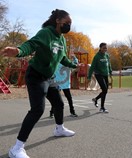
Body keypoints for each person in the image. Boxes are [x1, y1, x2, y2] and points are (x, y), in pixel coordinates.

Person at [0, 9, 78, 158]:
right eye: (67, 23)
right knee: (38, 109)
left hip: (49, 77)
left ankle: (59, 129)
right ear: (58, 20)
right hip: (36, 76)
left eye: (70, 24)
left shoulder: (62, 39)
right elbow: (31, 45)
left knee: (59, 104)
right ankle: (16, 148)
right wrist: (18, 50)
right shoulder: (45, 33)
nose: (69, 26)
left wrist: (75, 65)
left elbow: (62, 58)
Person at [87, 42, 112, 113]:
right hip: (99, 74)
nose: (105, 49)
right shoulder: (97, 56)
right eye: (104, 48)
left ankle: (95, 99)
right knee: (104, 90)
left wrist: (110, 71)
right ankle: (102, 107)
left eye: (106, 48)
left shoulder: (107, 55)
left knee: (105, 91)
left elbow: (109, 64)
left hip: (105, 74)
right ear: (100, 48)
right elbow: (92, 67)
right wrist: (89, 76)